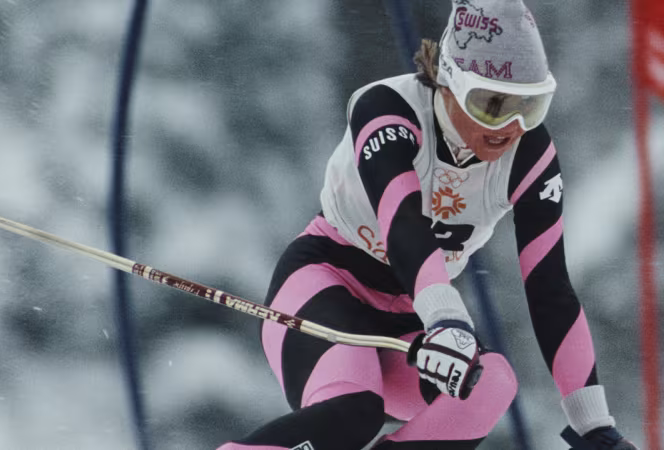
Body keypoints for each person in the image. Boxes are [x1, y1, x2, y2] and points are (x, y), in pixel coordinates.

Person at [219, 0, 636, 448]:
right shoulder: (388, 109)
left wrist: (593, 423)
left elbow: (549, 286)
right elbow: (403, 225)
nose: (511, 128)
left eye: (530, 107)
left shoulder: (529, 155)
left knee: (493, 382)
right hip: (326, 284)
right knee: (353, 411)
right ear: (450, 82)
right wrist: (447, 320)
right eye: (493, 105)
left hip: (408, 317)